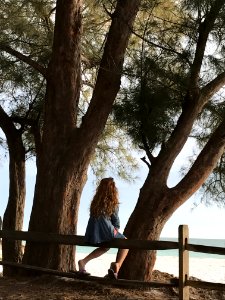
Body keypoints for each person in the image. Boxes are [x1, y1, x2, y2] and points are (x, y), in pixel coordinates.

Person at [78, 177, 128, 279]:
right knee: (125, 243)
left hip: (93, 231)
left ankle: (83, 262)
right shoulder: (113, 203)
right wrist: (116, 229)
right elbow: (115, 220)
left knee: (105, 247)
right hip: (106, 230)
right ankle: (118, 265)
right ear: (113, 189)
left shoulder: (95, 202)